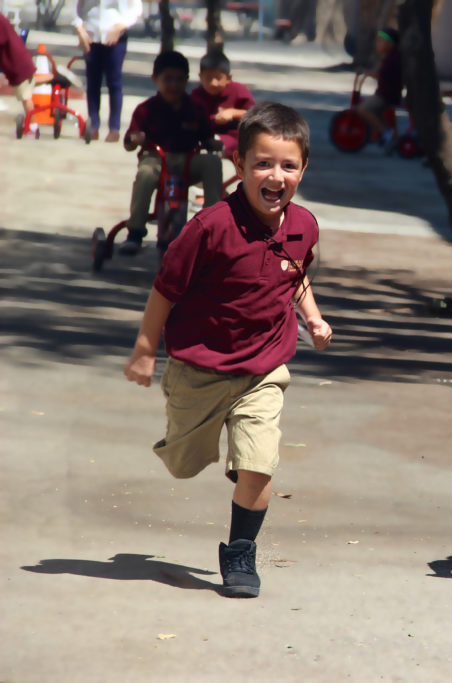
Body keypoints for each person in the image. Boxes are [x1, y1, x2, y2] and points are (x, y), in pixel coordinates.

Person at [123, 101, 333, 598]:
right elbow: (166, 290)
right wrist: (145, 349)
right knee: (183, 464)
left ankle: (240, 553)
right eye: (262, 163)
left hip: (264, 369)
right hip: (200, 368)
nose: (275, 175)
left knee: (260, 463)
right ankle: (206, 441)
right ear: (238, 166)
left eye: (288, 165)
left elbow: (295, 276)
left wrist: (314, 317)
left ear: (304, 169)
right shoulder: (210, 227)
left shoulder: (304, 226)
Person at [122, 50, 222, 255]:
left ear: (187, 81)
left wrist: (214, 143)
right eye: (168, 79)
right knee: (145, 174)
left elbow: (207, 136)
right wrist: (135, 139)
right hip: (156, 159)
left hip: (188, 160)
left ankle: (213, 228)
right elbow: (129, 141)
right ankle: (135, 231)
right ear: (155, 79)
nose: (174, 85)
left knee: (212, 163)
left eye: (179, 80)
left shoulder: (196, 108)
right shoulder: (146, 109)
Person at [73, 0, 143, 142]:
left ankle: (114, 128)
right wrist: (79, 29)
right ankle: (93, 126)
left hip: (115, 35)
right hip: (91, 35)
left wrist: (121, 26)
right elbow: (75, 7)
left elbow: (136, 9)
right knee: (93, 83)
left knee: (114, 82)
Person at [0, 16, 71, 124]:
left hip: (16, 62)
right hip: (18, 59)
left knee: (25, 96)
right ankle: (54, 78)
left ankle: (32, 126)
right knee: (28, 83)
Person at [190, 49, 255, 159]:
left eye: (218, 78)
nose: (213, 83)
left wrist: (233, 113)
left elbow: (255, 115)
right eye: (208, 78)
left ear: (228, 78)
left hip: (233, 139)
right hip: (204, 138)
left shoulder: (238, 91)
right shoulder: (196, 95)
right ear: (200, 77)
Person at [355, 27, 401, 148]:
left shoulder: (393, 59)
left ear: (391, 44)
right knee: (375, 111)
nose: (378, 44)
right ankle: (382, 134)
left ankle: (386, 132)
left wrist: (365, 72)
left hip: (386, 95)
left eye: (382, 41)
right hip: (385, 93)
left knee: (363, 109)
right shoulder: (389, 58)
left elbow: (382, 75)